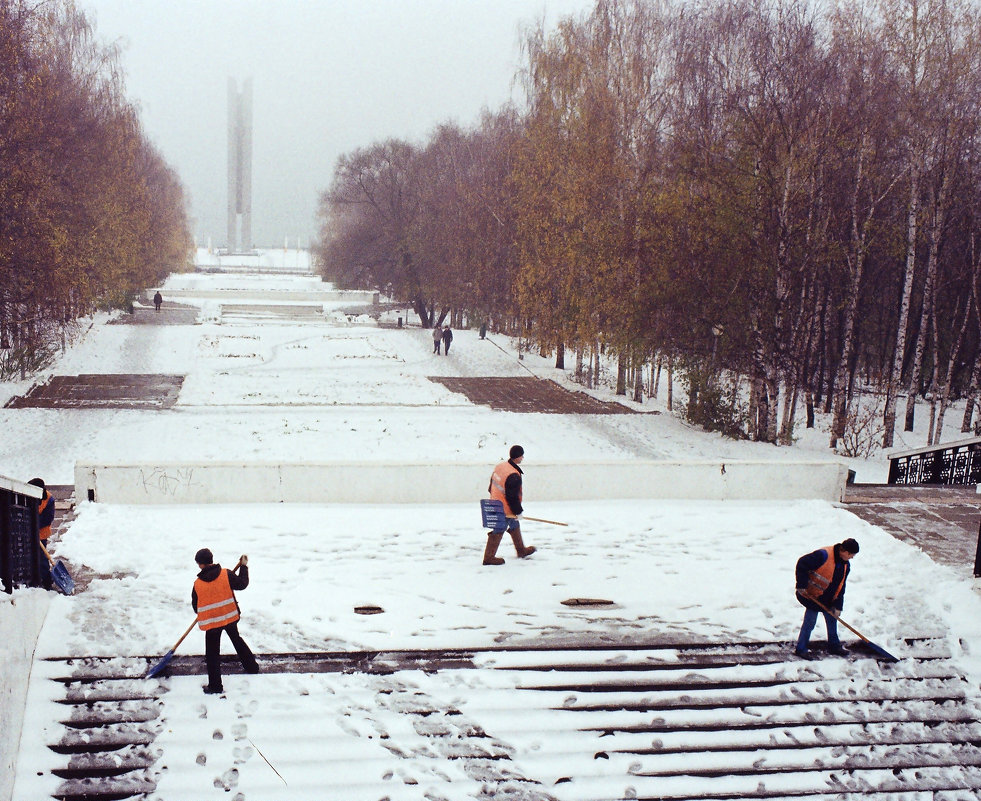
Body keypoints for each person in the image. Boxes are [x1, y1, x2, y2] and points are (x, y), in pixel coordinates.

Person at [191, 548, 259, 694]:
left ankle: (215, 686)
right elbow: (242, 584)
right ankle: (252, 667)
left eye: (198, 563)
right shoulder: (226, 574)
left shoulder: (197, 584)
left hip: (212, 623)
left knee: (212, 654)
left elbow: (196, 607)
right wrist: (244, 567)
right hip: (229, 617)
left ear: (201, 564)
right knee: (237, 640)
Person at [794, 538, 860, 659]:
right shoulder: (823, 555)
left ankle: (834, 646)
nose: (852, 558)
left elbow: (841, 586)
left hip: (829, 599)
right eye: (851, 555)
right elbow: (802, 563)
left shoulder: (845, 565)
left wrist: (838, 606)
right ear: (845, 551)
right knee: (810, 622)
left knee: (832, 620)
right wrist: (801, 584)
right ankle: (801, 649)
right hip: (812, 595)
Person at [483, 445, 536, 565]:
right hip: (504, 508)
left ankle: (521, 550)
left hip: (495, 502)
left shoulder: (501, 466)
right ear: (517, 457)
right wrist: (518, 512)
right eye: (521, 455)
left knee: (514, 523)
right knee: (499, 528)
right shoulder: (513, 474)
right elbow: (512, 497)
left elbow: (491, 484)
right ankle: (488, 557)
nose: (523, 457)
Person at [28, 478, 54, 590]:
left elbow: (48, 518)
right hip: (27, 533)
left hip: (41, 534)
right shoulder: (26, 494)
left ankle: (47, 582)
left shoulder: (48, 499)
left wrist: (34, 524)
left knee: (41, 559)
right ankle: (32, 581)